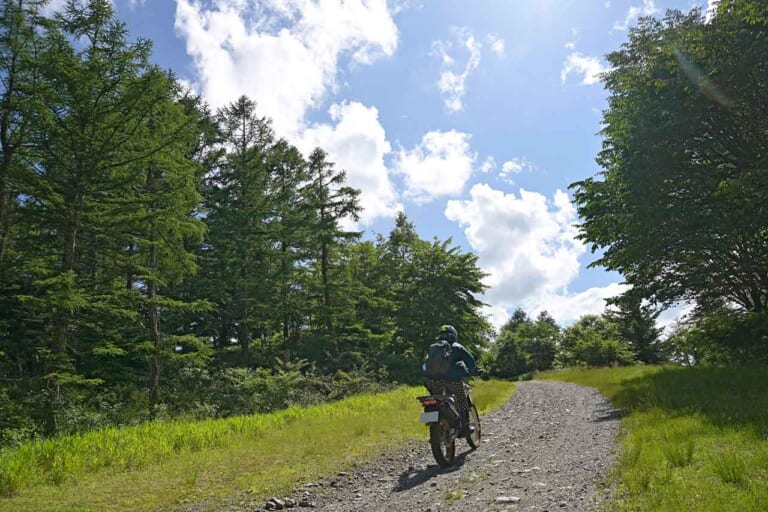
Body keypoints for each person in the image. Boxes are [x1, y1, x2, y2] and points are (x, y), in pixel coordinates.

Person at [423, 325, 479, 435]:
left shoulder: (433, 348)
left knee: (434, 400)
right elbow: (470, 361)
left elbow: (425, 365)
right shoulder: (457, 347)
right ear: (454, 334)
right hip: (453, 381)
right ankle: (465, 428)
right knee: (462, 401)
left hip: (432, 382)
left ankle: (431, 422)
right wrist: (474, 371)